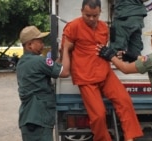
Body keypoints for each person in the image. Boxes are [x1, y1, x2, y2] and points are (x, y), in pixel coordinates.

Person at [60, 0, 143, 141]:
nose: (92, 19)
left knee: (125, 101)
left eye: (95, 16)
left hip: (105, 72)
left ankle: (130, 137)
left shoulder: (104, 27)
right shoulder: (72, 27)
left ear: (100, 13)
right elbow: (65, 50)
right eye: (88, 15)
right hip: (85, 77)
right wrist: (64, 65)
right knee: (98, 115)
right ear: (81, 12)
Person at [16, 25, 71, 141]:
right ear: (29, 45)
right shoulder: (39, 61)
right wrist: (66, 49)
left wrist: (61, 57)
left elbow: (51, 68)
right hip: (39, 118)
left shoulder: (22, 62)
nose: (42, 45)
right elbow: (65, 72)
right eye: (40, 42)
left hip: (28, 117)